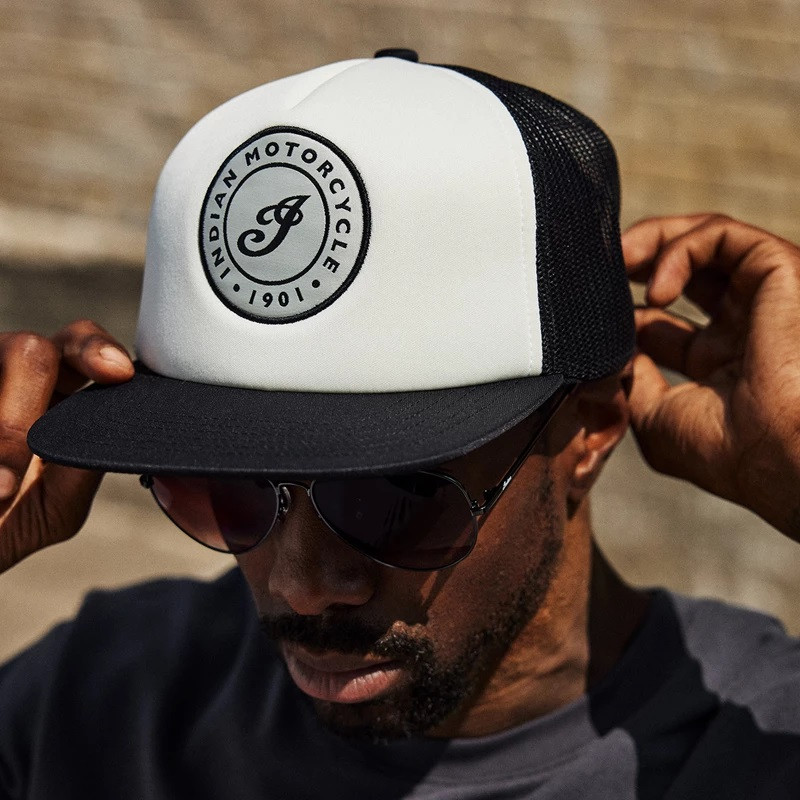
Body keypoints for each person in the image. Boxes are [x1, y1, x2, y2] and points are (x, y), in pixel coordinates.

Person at [1, 53, 800, 798]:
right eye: (228, 489)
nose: (300, 586)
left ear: (590, 427)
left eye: (393, 497)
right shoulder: (105, 697)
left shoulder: (756, 743)